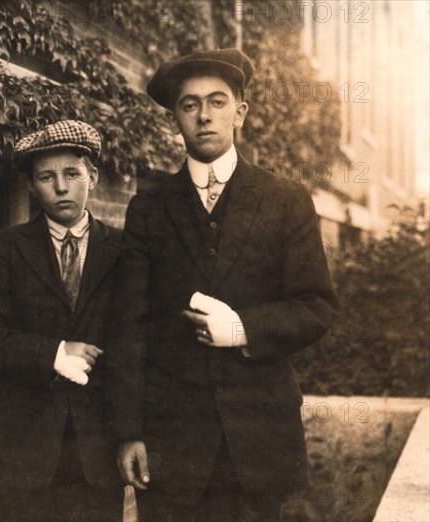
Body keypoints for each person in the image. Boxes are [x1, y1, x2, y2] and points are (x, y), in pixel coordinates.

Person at [107, 49, 339, 521]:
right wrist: (128, 431)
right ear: (176, 118)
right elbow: (127, 327)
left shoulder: (285, 200)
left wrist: (242, 329)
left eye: (217, 101)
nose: (204, 115)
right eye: (189, 105)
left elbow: (315, 306)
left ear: (240, 112)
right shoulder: (148, 208)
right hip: (172, 444)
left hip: (259, 443)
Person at [0, 120, 123, 522]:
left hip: (98, 454)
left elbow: (142, 340)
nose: (61, 187)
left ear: (94, 177)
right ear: (33, 187)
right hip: (22, 452)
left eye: (72, 174)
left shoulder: (124, 250)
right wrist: (53, 352)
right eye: (46, 177)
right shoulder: (5, 249)